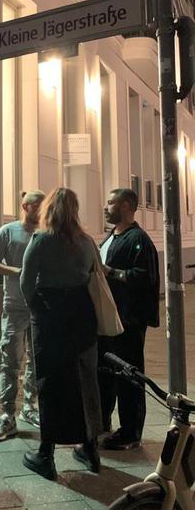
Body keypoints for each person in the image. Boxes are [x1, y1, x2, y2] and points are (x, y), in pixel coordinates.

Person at [20, 188, 102, 480]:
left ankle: (46, 454)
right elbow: (96, 272)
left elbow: (26, 281)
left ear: (48, 209)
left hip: (51, 315)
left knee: (51, 382)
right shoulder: (87, 241)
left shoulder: (41, 240)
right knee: (85, 380)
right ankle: (90, 448)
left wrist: (36, 309)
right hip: (83, 315)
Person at [98, 188, 160, 450]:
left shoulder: (139, 239)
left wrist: (111, 272)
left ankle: (131, 433)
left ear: (125, 206)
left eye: (110, 202)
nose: (105, 207)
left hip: (128, 321)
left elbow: (145, 277)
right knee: (105, 373)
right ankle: (102, 422)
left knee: (128, 376)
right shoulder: (111, 236)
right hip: (108, 319)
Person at [0, 190, 45, 442]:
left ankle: (29, 407)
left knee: (36, 359)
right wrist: (19, 271)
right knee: (10, 359)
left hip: (40, 306)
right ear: (25, 206)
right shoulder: (8, 231)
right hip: (15, 305)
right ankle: (7, 413)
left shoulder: (46, 233)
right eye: (37, 206)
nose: (41, 210)